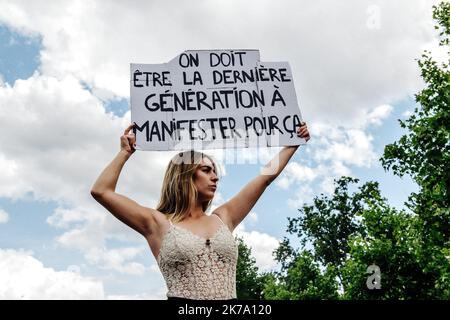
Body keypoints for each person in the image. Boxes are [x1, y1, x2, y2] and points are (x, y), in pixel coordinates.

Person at [90, 122, 310, 300]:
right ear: (185, 176)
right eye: (206, 170)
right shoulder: (157, 223)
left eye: (215, 171)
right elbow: (101, 191)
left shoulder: (224, 217)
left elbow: (265, 178)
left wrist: (293, 144)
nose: (215, 176)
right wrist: (125, 153)